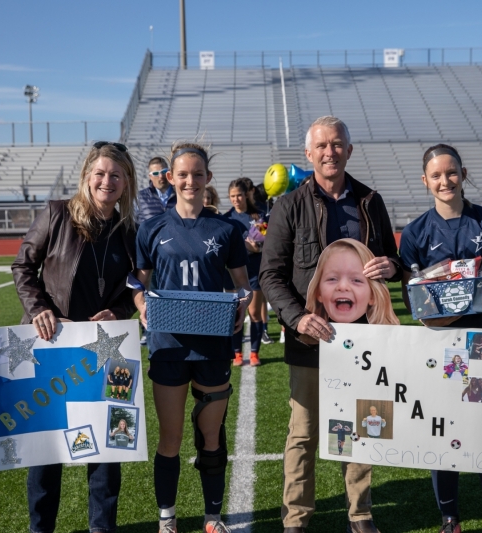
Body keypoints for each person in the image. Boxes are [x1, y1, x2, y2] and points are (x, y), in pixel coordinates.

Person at [260, 116, 402, 533]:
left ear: (349, 150)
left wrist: (390, 266)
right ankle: (297, 519)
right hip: (310, 336)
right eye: (321, 146)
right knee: (303, 433)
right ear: (308, 154)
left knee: (361, 426)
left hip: (363, 338)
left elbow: (393, 262)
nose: (329, 152)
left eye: (337, 144)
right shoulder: (288, 205)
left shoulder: (370, 201)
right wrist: (297, 317)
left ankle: (360, 515)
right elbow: (270, 275)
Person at [11, 140, 138, 533]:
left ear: (126, 182)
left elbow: (133, 288)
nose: (107, 181)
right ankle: (40, 528)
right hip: (53, 349)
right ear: (86, 176)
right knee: (47, 452)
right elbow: (23, 267)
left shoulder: (129, 230)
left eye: (116, 175)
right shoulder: (56, 214)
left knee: (106, 449)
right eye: (100, 173)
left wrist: (117, 312)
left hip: (106, 350)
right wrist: (39, 309)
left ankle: (102, 527)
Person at [399, 143, 482, 533]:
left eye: (451, 172)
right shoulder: (416, 233)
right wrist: (445, 312)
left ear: (463, 173)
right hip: (439, 344)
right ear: (425, 181)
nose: (445, 181)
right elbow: (412, 300)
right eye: (436, 175)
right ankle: (449, 517)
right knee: (443, 428)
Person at [132, 141, 252, 533]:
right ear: (170, 178)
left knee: (211, 435)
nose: (189, 181)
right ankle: (167, 518)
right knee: (170, 438)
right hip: (167, 345)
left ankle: (212, 517)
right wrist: (140, 302)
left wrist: (242, 303)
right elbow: (139, 280)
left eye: (197, 174)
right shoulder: (151, 228)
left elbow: (241, 283)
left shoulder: (227, 229)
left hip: (212, 343)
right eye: (182, 174)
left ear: (207, 179)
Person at [225, 178, 268, 367]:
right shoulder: (226, 219)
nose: (236, 199)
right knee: (235, 313)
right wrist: (245, 245)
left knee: (254, 313)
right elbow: (228, 248)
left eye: (239, 195)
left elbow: (260, 247)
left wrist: (249, 246)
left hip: (254, 271)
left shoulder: (258, 216)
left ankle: (254, 353)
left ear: (246, 195)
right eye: (232, 196)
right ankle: (236, 354)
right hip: (234, 275)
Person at [138, 156, 176, 224]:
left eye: (164, 171)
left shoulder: (180, 195)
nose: (161, 176)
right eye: (156, 173)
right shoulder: (140, 197)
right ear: (150, 177)